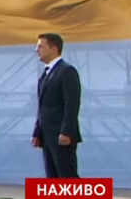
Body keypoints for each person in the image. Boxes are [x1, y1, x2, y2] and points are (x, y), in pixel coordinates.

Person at [32, 32, 82, 178]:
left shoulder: (67, 71)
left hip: (61, 136)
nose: (37, 50)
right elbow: (42, 107)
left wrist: (66, 131)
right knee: (52, 178)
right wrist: (37, 132)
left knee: (67, 176)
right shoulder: (45, 74)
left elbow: (72, 104)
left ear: (54, 49)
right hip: (47, 136)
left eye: (40, 46)